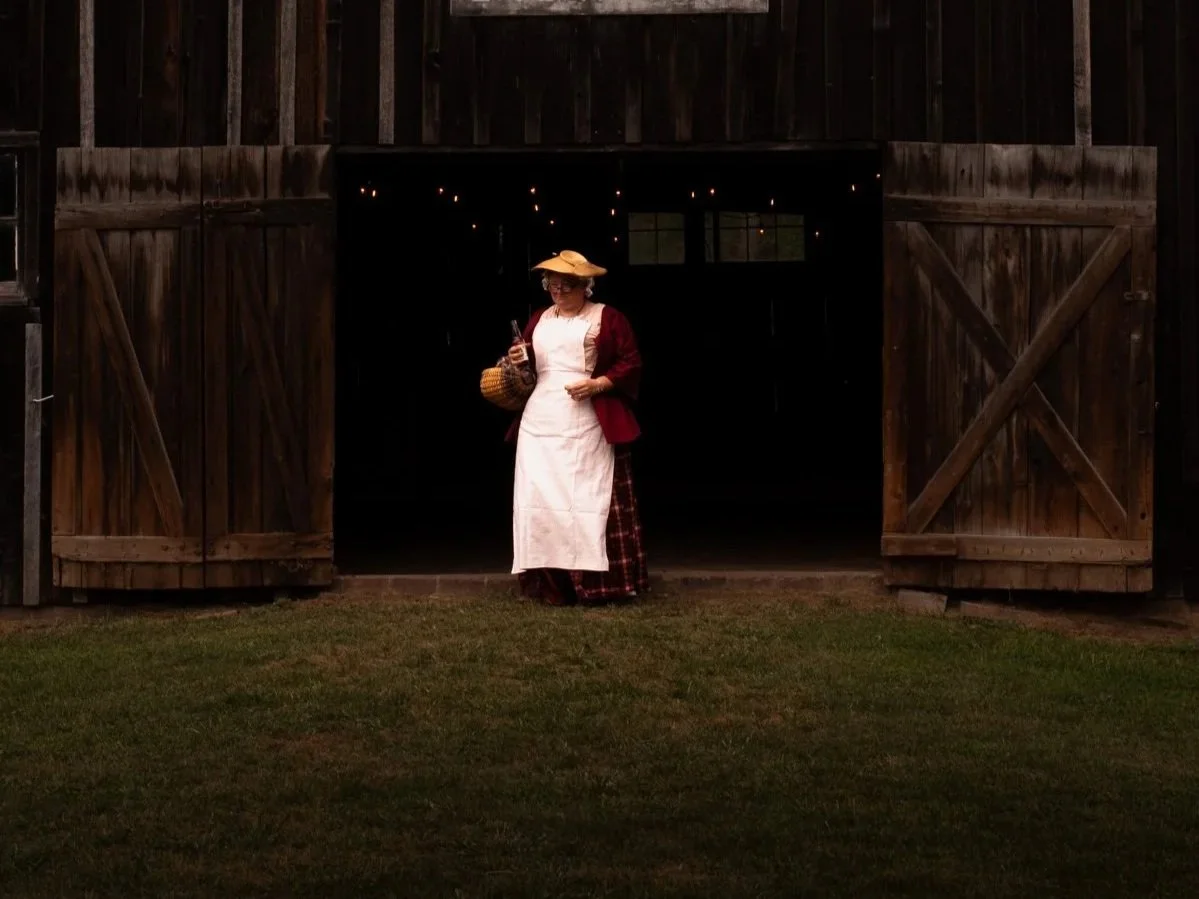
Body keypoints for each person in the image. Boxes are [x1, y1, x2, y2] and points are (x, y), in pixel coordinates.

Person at [505, 249, 649, 605]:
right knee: (542, 500)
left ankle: (601, 586)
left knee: (587, 499)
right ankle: (552, 586)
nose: (558, 292)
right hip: (541, 421)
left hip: (587, 420)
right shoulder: (539, 318)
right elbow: (530, 368)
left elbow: (631, 362)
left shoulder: (608, 318)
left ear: (585, 286)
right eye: (552, 286)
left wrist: (598, 383)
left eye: (566, 286)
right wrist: (518, 359)